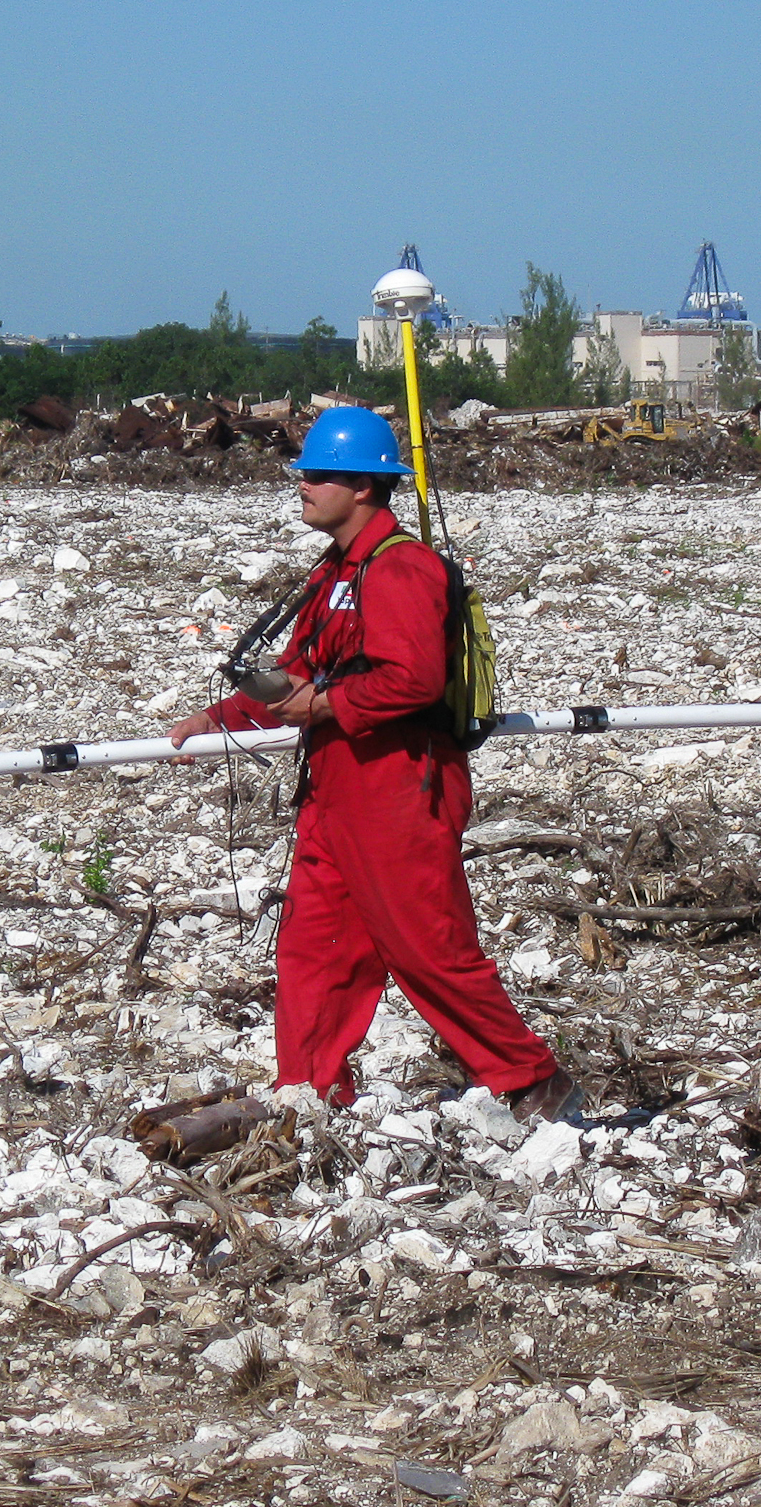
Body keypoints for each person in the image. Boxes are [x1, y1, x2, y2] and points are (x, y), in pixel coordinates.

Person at [169, 406, 580, 1120]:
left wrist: (325, 708)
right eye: (304, 470)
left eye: (320, 473)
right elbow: (297, 675)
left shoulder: (403, 570)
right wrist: (218, 719)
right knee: (315, 945)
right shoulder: (331, 576)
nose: (304, 483)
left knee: (427, 947)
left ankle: (532, 1077)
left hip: (399, 787)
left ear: (366, 485)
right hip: (333, 789)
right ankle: (310, 1090)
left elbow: (414, 678)